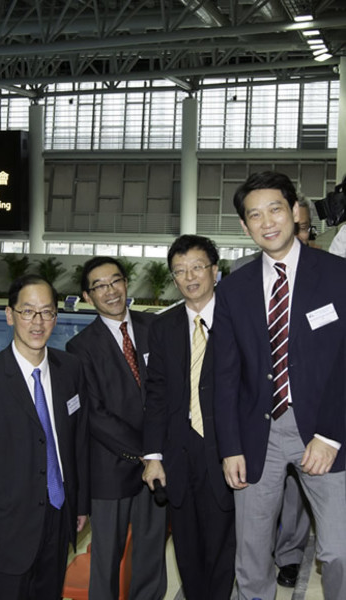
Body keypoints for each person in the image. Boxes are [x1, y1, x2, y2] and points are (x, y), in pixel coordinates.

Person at [214, 170, 346, 600]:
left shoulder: (337, 275)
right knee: (251, 557)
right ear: (244, 225)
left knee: (339, 551)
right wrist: (230, 445)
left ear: (294, 212)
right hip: (258, 434)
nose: (267, 222)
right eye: (255, 215)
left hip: (326, 430)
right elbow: (226, 373)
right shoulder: (234, 290)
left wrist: (330, 436)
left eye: (276, 209)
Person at [0, 274, 89, 600]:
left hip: (59, 518)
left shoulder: (70, 369)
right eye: (28, 311)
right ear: (9, 314)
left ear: (56, 317)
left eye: (47, 312)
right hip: (6, 530)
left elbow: (78, 443)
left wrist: (80, 503)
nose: (38, 321)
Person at [65, 256, 166, 600]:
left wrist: (157, 452)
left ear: (126, 283)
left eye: (116, 281)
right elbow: (95, 415)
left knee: (151, 552)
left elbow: (169, 390)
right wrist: (146, 452)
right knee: (107, 559)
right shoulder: (79, 348)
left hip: (158, 464)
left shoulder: (154, 328)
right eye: (100, 286)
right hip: (111, 469)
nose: (111, 291)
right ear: (87, 296)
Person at [141, 235, 235, 600]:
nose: (190, 277)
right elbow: (157, 396)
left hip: (225, 452)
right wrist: (153, 456)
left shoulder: (236, 319)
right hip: (178, 456)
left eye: (197, 267)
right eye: (180, 271)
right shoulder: (163, 328)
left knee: (222, 548)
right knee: (187, 549)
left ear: (215, 270)